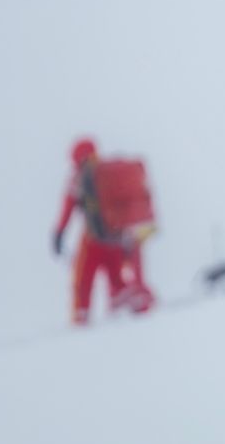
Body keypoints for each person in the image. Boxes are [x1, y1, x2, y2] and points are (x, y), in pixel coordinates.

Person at [52, 137, 155, 325]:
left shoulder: (80, 177)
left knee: (83, 282)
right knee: (117, 281)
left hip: (93, 240)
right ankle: (136, 310)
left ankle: (81, 321)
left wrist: (59, 233)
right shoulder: (108, 173)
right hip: (117, 236)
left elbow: (68, 207)